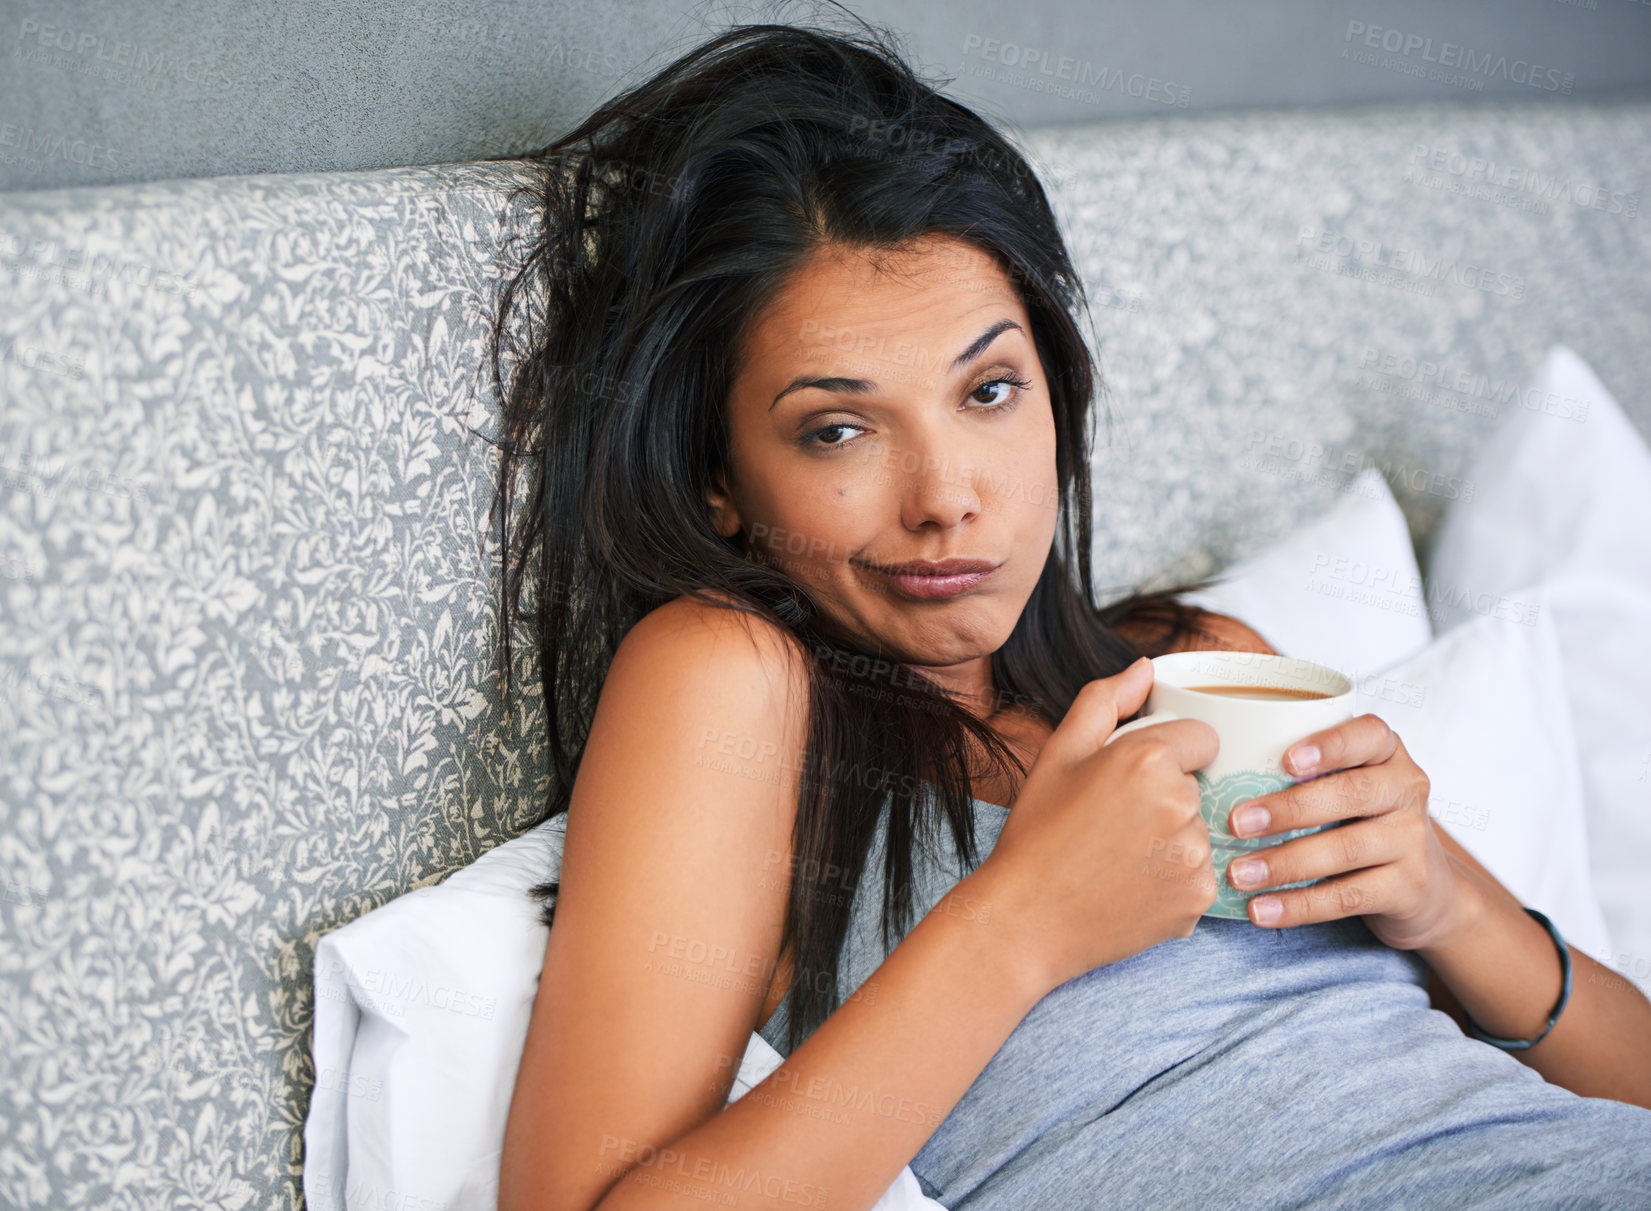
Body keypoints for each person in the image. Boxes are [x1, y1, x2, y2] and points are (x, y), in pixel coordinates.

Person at [485, 13, 1651, 1210]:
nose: (947, 499)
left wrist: (1446, 895)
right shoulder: (732, 680)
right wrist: (1024, 919)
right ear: (720, 479)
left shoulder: (1202, 670)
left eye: (989, 390)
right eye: (837, 427)